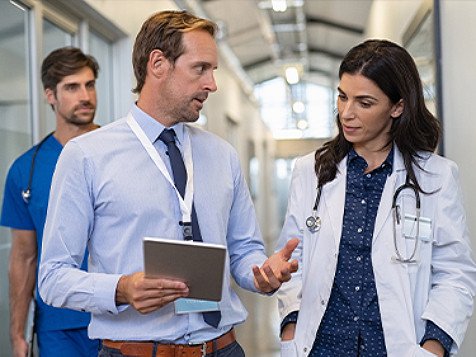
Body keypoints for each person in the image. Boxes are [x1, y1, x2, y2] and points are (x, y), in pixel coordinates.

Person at [38, 10, 298, 357]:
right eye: (200, 68)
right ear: (158, 64)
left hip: (221, 348)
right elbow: (53, 277)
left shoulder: (222, 155)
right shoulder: (86, 156)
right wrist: (122, 288)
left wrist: (262, 273)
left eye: (213, 70)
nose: (212, 84)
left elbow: (243, 251)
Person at [276, 39, 476, 357]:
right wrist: (290, 327)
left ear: (397, 106)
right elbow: (292, 260)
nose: (347, 113)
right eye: (342, 97)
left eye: (364, 103)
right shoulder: (310, 171)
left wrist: (433, 347)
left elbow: (455, 273)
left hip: (395, 348)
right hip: (320, 346)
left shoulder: (436, 177)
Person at [1, 47, 100, 356]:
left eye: (90, 84)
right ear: (50, 96)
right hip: (57, 324)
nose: (85, 96)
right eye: (72, 87)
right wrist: (18, 334)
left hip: (121, 316)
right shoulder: (25, 170)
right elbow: (23, 257)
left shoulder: (120, 152)